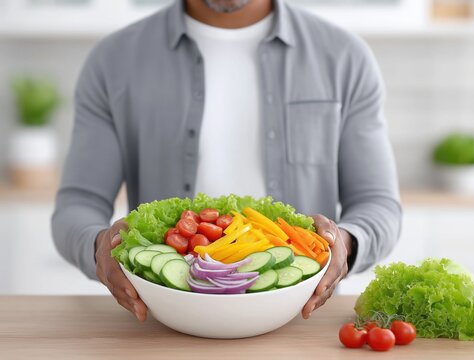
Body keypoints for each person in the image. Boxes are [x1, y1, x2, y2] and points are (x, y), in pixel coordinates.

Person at [52, 0, 401, 322]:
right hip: (161, 329)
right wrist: (100, 246)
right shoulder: (114, 60)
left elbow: (378, 205)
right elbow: (78, 205)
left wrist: (346, 241)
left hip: (301, 328)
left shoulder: (345, 58)